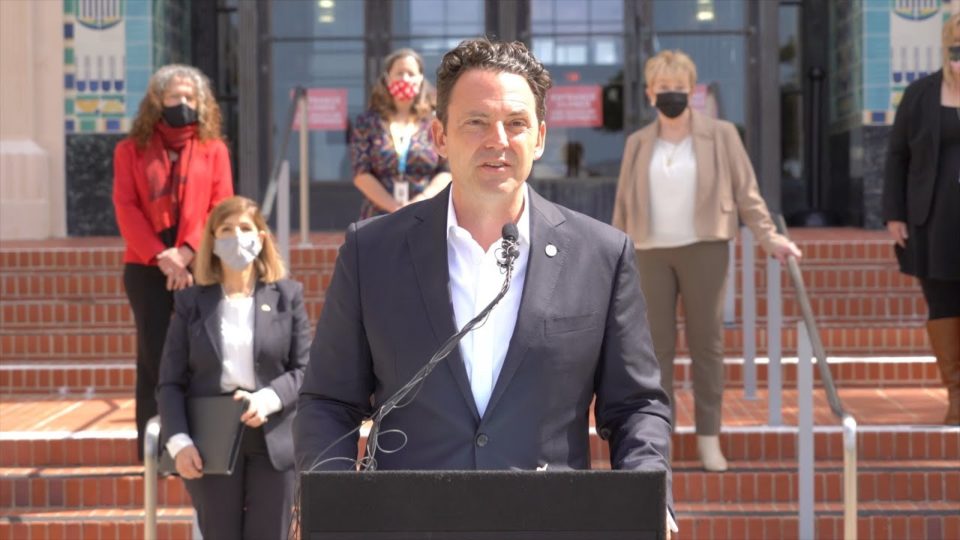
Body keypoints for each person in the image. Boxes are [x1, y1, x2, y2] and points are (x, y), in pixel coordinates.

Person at [296, 37, 675, 534]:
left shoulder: (601, 254)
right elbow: (329, 401)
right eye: (476, 122)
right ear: (440, 135)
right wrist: (329, 504)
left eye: (516, 123)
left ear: (539, 137)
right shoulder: (372, 252)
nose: (498, 139)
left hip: (550, 523)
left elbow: (636, 406)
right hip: (406, 524)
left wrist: (647, 501)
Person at [612, 50, 802, 472]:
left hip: (705, 247)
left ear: (693, 92)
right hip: (649, 252)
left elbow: (747, 193)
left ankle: (708, 438)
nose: (672, 96)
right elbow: (622, 206)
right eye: (664, 89)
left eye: (679, 89)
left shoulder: (721, 135)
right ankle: (657, 442)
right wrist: (615, 258)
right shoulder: (637, 143)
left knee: (707, 346)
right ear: (649, 94)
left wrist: (770, 238)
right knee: (653, 353)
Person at [158, 196, 311, 540]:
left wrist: (269, 398)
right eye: (225, 229)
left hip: (272, 435)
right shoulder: (190, 303)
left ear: (261, 238)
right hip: (209, 437)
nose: (236, 236)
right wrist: (178, 442)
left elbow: (305, 370)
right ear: (212, 241)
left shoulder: (287, 296)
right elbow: (169, 382)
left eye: (245, 228)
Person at [112, 64, 234, 459]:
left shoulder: (214, 149)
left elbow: (221, 205)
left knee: (201, 354)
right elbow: (126, 206)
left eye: (190, 98)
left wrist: (186, 252)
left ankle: (199, 443)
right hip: (147, 266)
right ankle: (154, 450)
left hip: (198, 264)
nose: (182, 104)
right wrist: (161, 256)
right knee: (153, 356)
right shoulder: (130, 149)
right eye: (174, 97)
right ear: (157, 101)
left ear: (202, 104)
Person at [883, 13, 960, 425]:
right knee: (944, 304)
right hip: (935, 221)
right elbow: (898, 156)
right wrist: (894, 213)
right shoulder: (920, 94)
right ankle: (956, 394)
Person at [351, 48, 451, 218]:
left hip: (425, 214)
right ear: (387, 78)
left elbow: (448, 170)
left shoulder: (435, 122)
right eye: (399, 73)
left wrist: (421, 201)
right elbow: (361, 173)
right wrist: (395, 209)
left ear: (420, 79)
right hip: (378, 217)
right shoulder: (367, 122)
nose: (405, 78)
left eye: (411, 73)